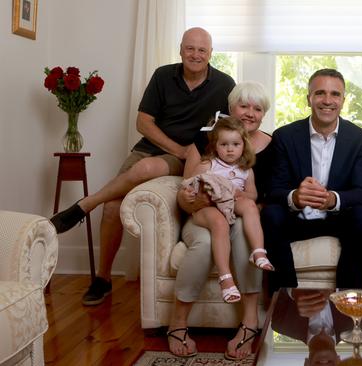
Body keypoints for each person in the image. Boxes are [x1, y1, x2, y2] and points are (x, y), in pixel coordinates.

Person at [49, 27, 235, 306]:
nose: (195, 55)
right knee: (112, 207)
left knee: (147, 169)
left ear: (211, 53)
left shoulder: (224, 84)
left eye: (202, 50)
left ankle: (84, 205)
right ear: (181, 49)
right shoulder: (163, 75)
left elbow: (230, 127)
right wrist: (176, 148)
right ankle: (103, 278)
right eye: (190, 48)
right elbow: (143, 123)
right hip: (152, 148)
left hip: (187, 157)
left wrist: (195, 155)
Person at [168, 81, 273, 360]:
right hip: (203, 216)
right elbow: (185, 191)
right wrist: (198, 200)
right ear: (230, 108)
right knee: (203, 243)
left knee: (243, 239)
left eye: (257, 108)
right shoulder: (205, 139)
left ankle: (249, 323)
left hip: (242, 214)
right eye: (243, 105)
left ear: (264, 114)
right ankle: (178, 322)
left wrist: (243, 203)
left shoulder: (271, 146)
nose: (249, 113)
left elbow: (264, 196)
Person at [261, 68, 362, 292]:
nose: (327, 100)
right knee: (270, 214)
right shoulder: (285, 136)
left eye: (335, 94)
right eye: (320, 93)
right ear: (309, 99)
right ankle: (285, 299)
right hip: (297, 218)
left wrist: (333, 199)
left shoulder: (360, 139)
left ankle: (347, 297)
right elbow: (272, 189)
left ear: (343, 101)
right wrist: (295, 196)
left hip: (337, 218)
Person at [179, 116, 273, 304]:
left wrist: (240, 193)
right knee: (219, 223)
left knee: (250, 206)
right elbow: (188, 186)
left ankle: (258, 252)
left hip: (231, 203)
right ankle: (225, 279)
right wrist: (188, 194)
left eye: (235, 144)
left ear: (243, 146)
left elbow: (252, 195)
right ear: (215, 146)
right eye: (224, 144)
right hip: (207, 208)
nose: (230, 149)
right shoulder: (208, 165)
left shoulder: (245, 170)